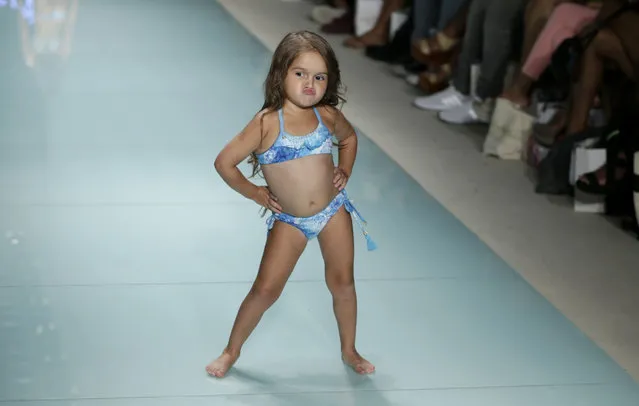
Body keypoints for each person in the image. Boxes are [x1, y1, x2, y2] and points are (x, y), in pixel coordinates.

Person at [207, 31, 377, 379]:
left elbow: (349, 138)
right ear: (280, 74)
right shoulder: (267, 123)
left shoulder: (326, 115)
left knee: (343, 282)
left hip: (333, 213)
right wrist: (255, 192)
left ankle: (349, 349)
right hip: (291, 221)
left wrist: (344, 168)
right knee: (266, 289)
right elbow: (224, 163)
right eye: (300, 73)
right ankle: (230, 350)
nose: (310, 84)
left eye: (319, 77)